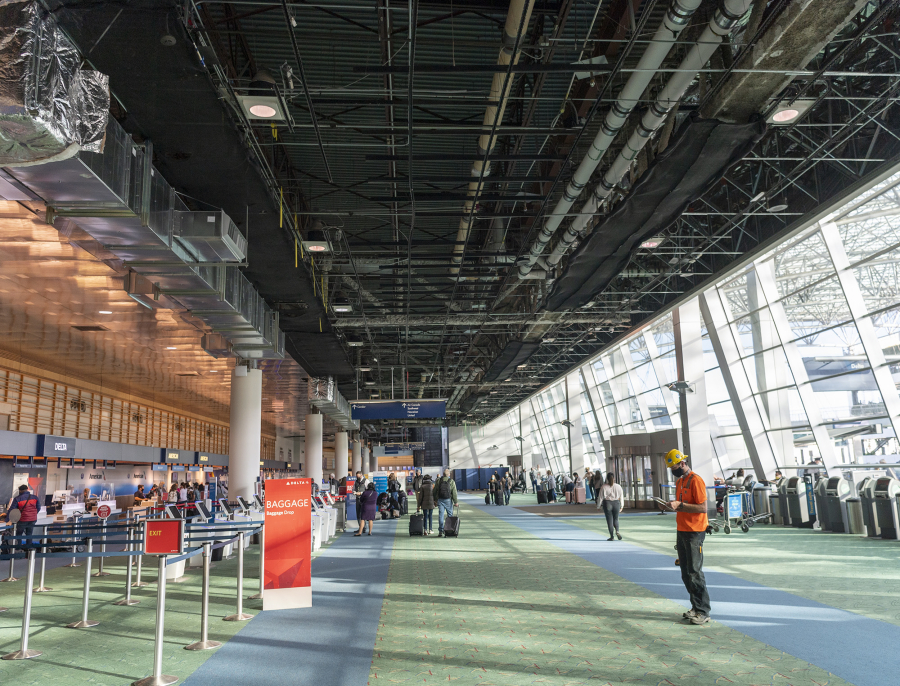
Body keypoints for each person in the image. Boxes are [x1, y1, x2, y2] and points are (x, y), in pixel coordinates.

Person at [666, 449, 711, 626]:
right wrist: (674, 506)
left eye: (674, 466)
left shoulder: (696, 480)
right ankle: (695, 606)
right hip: (682, 530)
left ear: (682, 463)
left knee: (694, 572)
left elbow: (702, 508)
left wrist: (681, 505)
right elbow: (683, 507)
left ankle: (703, 611)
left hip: (695, 532)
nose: (673, 470)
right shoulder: (680, 482)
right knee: (686, 573)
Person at [9, 484, 39, 548]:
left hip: (23, 519)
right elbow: (38, 508)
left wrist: (7, 519)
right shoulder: (35, 497)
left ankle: (18, 548)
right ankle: (29, 549)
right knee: (29, 534)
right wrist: (33, 514)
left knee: (19, 534)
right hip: (33, 519)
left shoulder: (17, 498)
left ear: (20, 491)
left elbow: (12, 510)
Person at [598, 473, 624, 540]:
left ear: (607, 478)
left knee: (609, 520)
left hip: (607, 503)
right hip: (616, 503)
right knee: (616, 518)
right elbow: (621, 497)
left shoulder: (603, 487)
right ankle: (617, 531)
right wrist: (622, 506)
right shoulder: (618, 486)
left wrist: (598, 506)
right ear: (614, 478)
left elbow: (600, 497)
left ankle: (612, 536)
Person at [433, 468, 458, 537]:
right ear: (449, 474)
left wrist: (435, 500)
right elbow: (454, 492)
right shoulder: (451, 481)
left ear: (443, 474)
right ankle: (449, 530)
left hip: (440, 500)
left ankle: (440, 531)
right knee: (450, 515)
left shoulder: (438, 481)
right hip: (448, 500)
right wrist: (455, 502)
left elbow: (434, 491)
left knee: (441, 516)